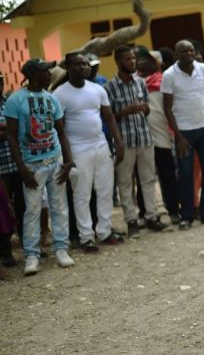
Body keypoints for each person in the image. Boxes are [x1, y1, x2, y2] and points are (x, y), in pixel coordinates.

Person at [4, 59, 76, 275]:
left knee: (59, 206)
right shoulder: (16, 100)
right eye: (46, 71)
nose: (50, 74)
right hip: (32, 164)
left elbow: (61, 132)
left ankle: (61, 249)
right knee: (33, 210)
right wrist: (22, 169)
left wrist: (68, 160)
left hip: (54, 160)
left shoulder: (51, 98)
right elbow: (11, 136)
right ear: (36, 75)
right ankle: (32, 255)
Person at [54, 52, 125, 252]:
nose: (84, 67)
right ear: (68, 67)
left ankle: (104, 231)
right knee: (82, 194)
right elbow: (59, 129)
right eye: (79, 64)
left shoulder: (97, 89)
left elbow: (109, 118)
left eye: (86, 64)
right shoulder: (60, 94)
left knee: (105, 191)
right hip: (77, 148)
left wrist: (118, 143)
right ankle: (86, 237)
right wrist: (67, 158)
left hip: (101, 146)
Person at [162, 40, 204, 229]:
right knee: (186, 173)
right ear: (176, 55)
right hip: (184, 131)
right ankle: (187, 216)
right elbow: (167, 108)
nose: (188, 54)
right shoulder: (169, 75)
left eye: (191, 50)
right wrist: (178, 136)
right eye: (183, 51)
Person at [105, 46, 167, 237]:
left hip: (144, 137)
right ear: (118, 62)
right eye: (127, 59)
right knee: (125, 182)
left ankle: (152, 216)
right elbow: (109, 117)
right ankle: (131, 220)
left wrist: (144, 108)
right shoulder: (110, 87)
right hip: (125, 140)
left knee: (148, 178)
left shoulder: (141, 82)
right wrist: (125, 111)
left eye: (133, 59)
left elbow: (147, 108)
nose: (132, 62)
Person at [135, 50, 181, 224]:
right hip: (141, 137)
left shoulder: (163, 81)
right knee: (143, 177)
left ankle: (173, 210)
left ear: (156, 63)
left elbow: (170, 109)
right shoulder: (135, 83)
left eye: (146, 60)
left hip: (161, 134)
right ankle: (146, 213)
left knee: (167, 174)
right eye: (139, 60)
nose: (141, 63)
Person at [0, 72, 22, 267]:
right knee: (4, 210)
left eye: (0, 81)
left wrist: (6, 129)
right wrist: (10, 128)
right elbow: (13, 129)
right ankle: (5, 251)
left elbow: (19, 127)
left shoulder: (9, 102)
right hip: (1, 168)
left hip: (16, 163)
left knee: (21, 206)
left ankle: (26, 244)